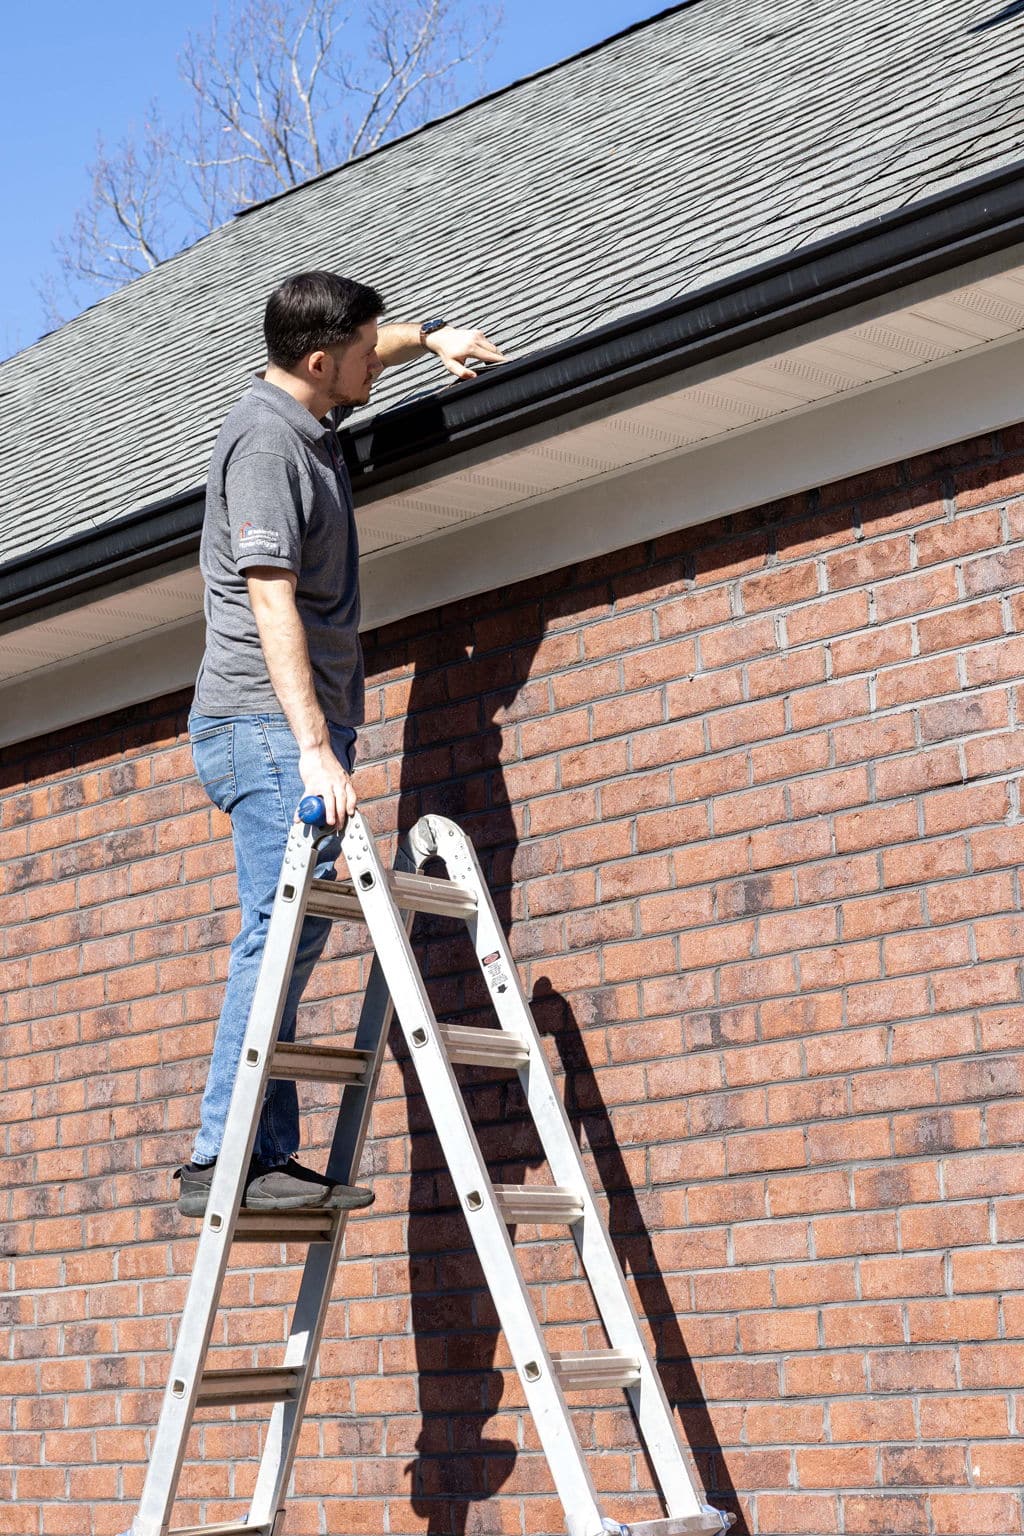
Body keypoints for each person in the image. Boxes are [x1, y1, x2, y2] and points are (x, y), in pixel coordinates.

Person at [176, 271, 506, 1216]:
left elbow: (376, 340)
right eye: (367, 352)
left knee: (295, 933)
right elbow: (269, 596)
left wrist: (434, 333)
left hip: (290, 730)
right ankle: (224, 1156)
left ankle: (256, 1152)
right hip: (267, 725)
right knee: (278, 933)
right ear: (321, 363)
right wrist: (315, 748)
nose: (377, 358)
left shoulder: (308, 414)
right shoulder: (266, 443)